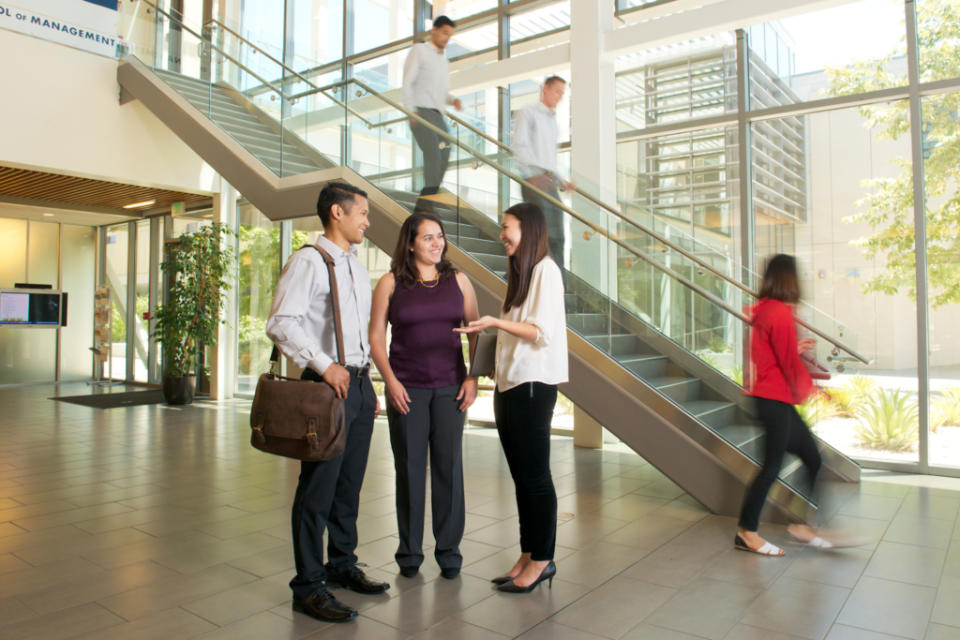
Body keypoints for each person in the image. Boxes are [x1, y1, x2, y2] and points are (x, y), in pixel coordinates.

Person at [266, 182, 389, 623]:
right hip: (324, 386)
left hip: (356, 385)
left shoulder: (355, 266)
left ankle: (341, 565)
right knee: (316, 489)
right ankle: (308, 586)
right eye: (362, 214)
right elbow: (281, 324)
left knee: (348, 485)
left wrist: (365, 383)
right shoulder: (308, 261)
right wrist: (324, 365)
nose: (367, 221)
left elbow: (359, 334)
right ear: (337, 212)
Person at [455, 202, 568, 593]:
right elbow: (515, 332)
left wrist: (493, 321)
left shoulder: (546, 272)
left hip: (533, 386)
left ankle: (543, 559)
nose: (502, 233)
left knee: (535, 477)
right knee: (522, 478)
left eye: (507, 227)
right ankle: (527, 553)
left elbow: (539, 332)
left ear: (529, 228)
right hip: (510, 383)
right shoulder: (522, 273)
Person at [369, 212, 480, 580]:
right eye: (428, 237)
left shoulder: (459, 281)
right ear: (411, 243)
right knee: (410, 470)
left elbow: (475, 333)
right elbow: (375, 339)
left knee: (449, 469)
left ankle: (449, 552)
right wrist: (391, 381)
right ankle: (410, 553)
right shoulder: (390, 283)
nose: (437, 243)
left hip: (450, 388)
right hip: (407, 390)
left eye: (440, 236)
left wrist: (473, 378)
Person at [736, 254, 829, 556]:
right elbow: (788, 362)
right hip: (774, 400)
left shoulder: (767, 310)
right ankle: (747, 532)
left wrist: (794, 347)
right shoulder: (778, 312)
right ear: (788, 278)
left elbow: (769, 352)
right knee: (771, 468)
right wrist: (812, 388)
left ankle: (801, 526)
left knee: (812, 458)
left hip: (775, 399)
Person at [512, 76, 573, 280]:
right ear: (545, 88)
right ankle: (527, 276)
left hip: (548, 181)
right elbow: (519, 146)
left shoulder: (553, 122)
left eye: (562, 93)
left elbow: (550, 160)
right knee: (542, 234)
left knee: (558, 235)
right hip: (534, 182)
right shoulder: (528, 112)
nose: (560, 96)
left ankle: (559, 285)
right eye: (557, 91)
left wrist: (561, 181)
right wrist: (530, 176)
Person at [403, 15, 462, 199]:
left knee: (446, 152)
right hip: (421, 111)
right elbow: (407, 82)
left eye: (450, 35)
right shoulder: (419, 50)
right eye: (444, 32)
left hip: (438, 114)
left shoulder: (444, 61)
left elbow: (441, 92)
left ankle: (429, 195)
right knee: (434, 153)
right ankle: (429, 198)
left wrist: (452, 100)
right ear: (434, 30)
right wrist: (410, 110)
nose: (446, 38)